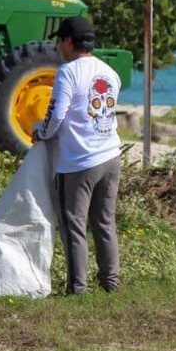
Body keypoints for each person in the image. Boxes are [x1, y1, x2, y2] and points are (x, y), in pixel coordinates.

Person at [33, 16, 123, 294]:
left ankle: (78, 288)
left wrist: (42, 133)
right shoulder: (110, 72)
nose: (59, 47)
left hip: (79, 162)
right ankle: (110, 283)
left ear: (68, 41)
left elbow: (57, 113)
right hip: (111, 157)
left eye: (60, 41)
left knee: (74, 226)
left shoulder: (69, 71)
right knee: (105, 223)